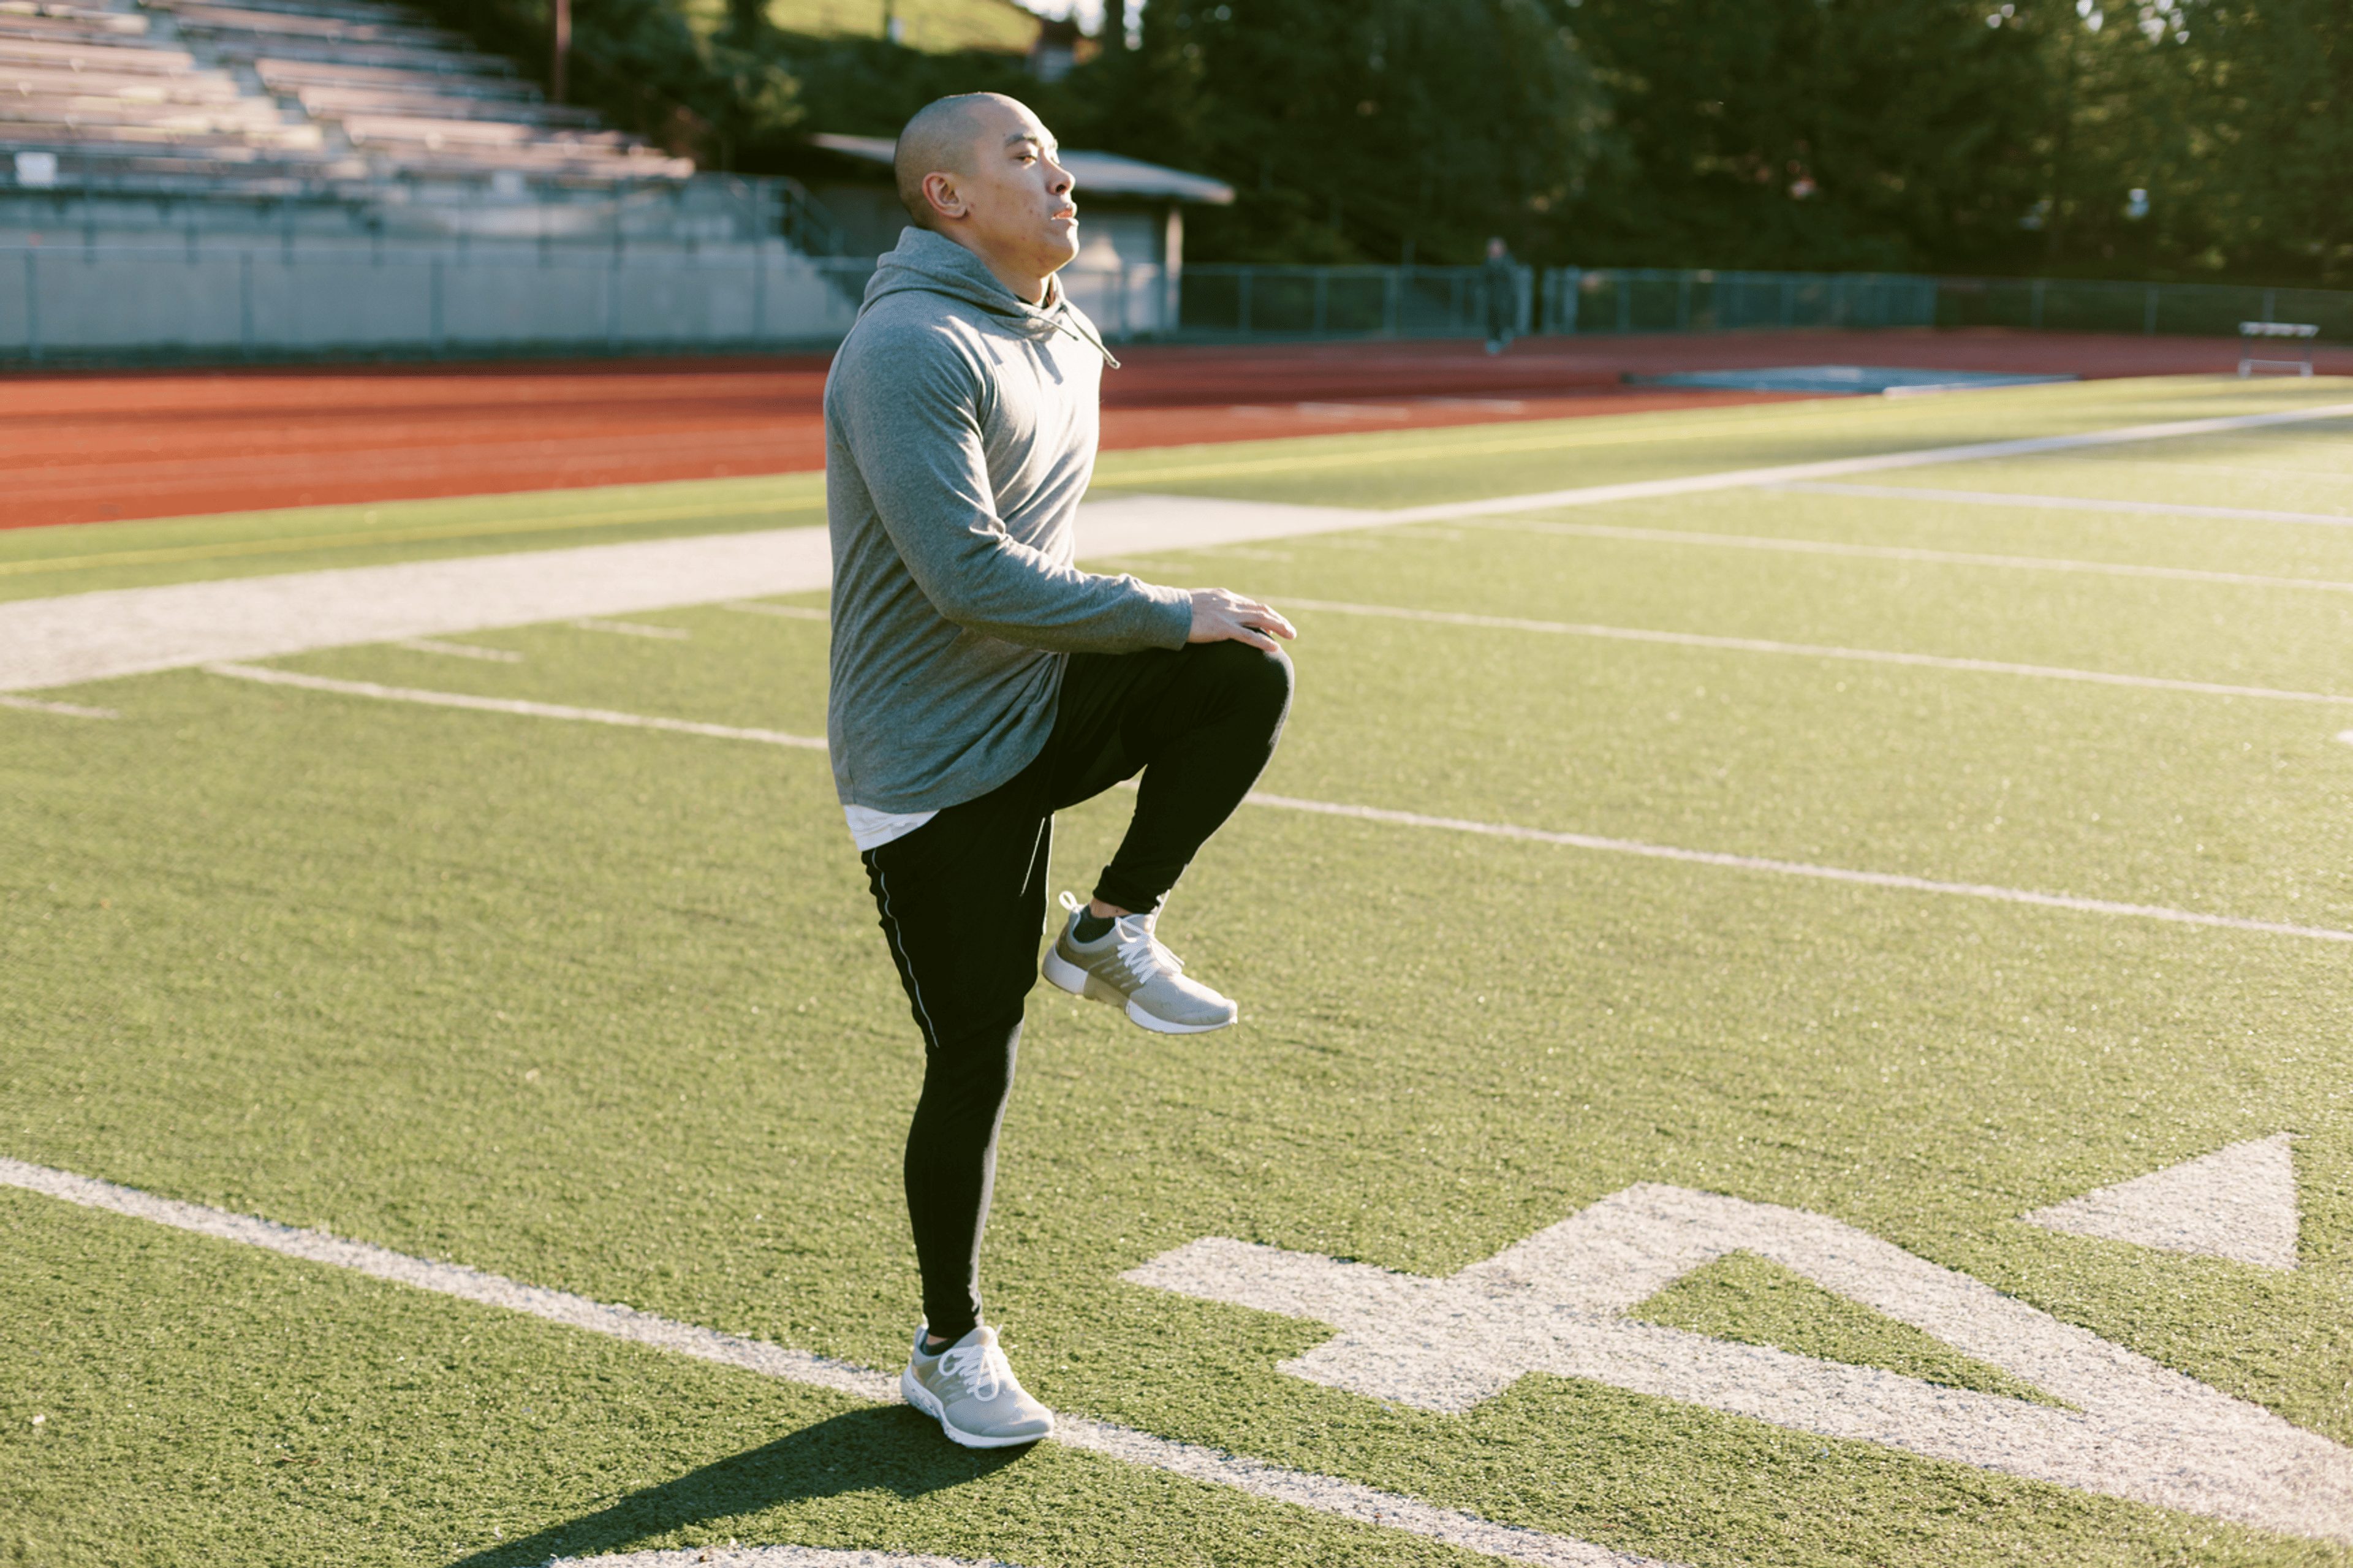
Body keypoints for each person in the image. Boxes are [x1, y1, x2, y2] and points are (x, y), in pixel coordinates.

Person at [822, 92, 1298, 1450]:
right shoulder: (906, 346)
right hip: (931, 758)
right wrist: (1161, 607)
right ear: (946, 200)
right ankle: (949, 1344)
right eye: (1023, 154)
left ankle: (1109, 928)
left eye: (1056, 149)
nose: (1062, 173)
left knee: (1241, 669)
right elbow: (967, 577)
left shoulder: (1060, 333)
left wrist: (1172, 629)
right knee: (974, 1051)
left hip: (1034, 698)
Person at [1483, 235, 1518, 355]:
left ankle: (1502, 337)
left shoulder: (1507, 262)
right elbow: (1484, 279)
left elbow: (1509, 278)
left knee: (1503, 317)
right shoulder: (1488, 263)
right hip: (1492, 297)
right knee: (1492, 318)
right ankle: (1494, 340)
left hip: (1504, 298)